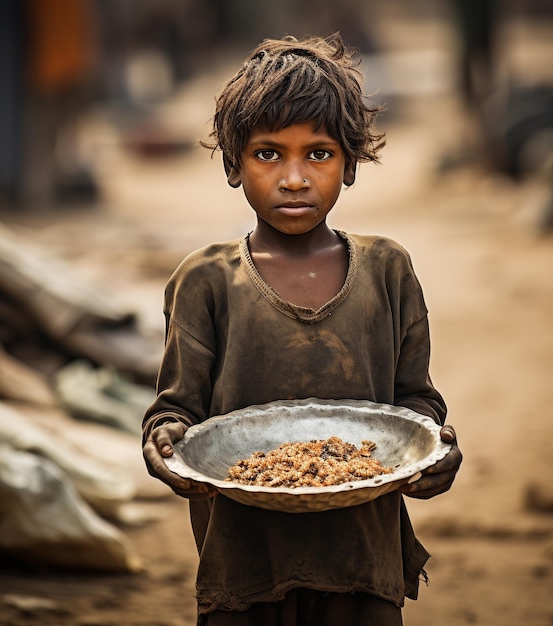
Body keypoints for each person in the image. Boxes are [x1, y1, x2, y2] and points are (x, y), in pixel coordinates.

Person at [142, 33, 462, 626]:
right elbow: (174, 411)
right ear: (235, 165)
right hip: (245, 565)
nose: (294, 178)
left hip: (362, 561)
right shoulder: (206, 281)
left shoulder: (387, 270)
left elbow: (415, 402)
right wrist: (164, 444)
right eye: (268, 154)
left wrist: (437, 453)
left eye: (319, 154)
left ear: (350, 162)